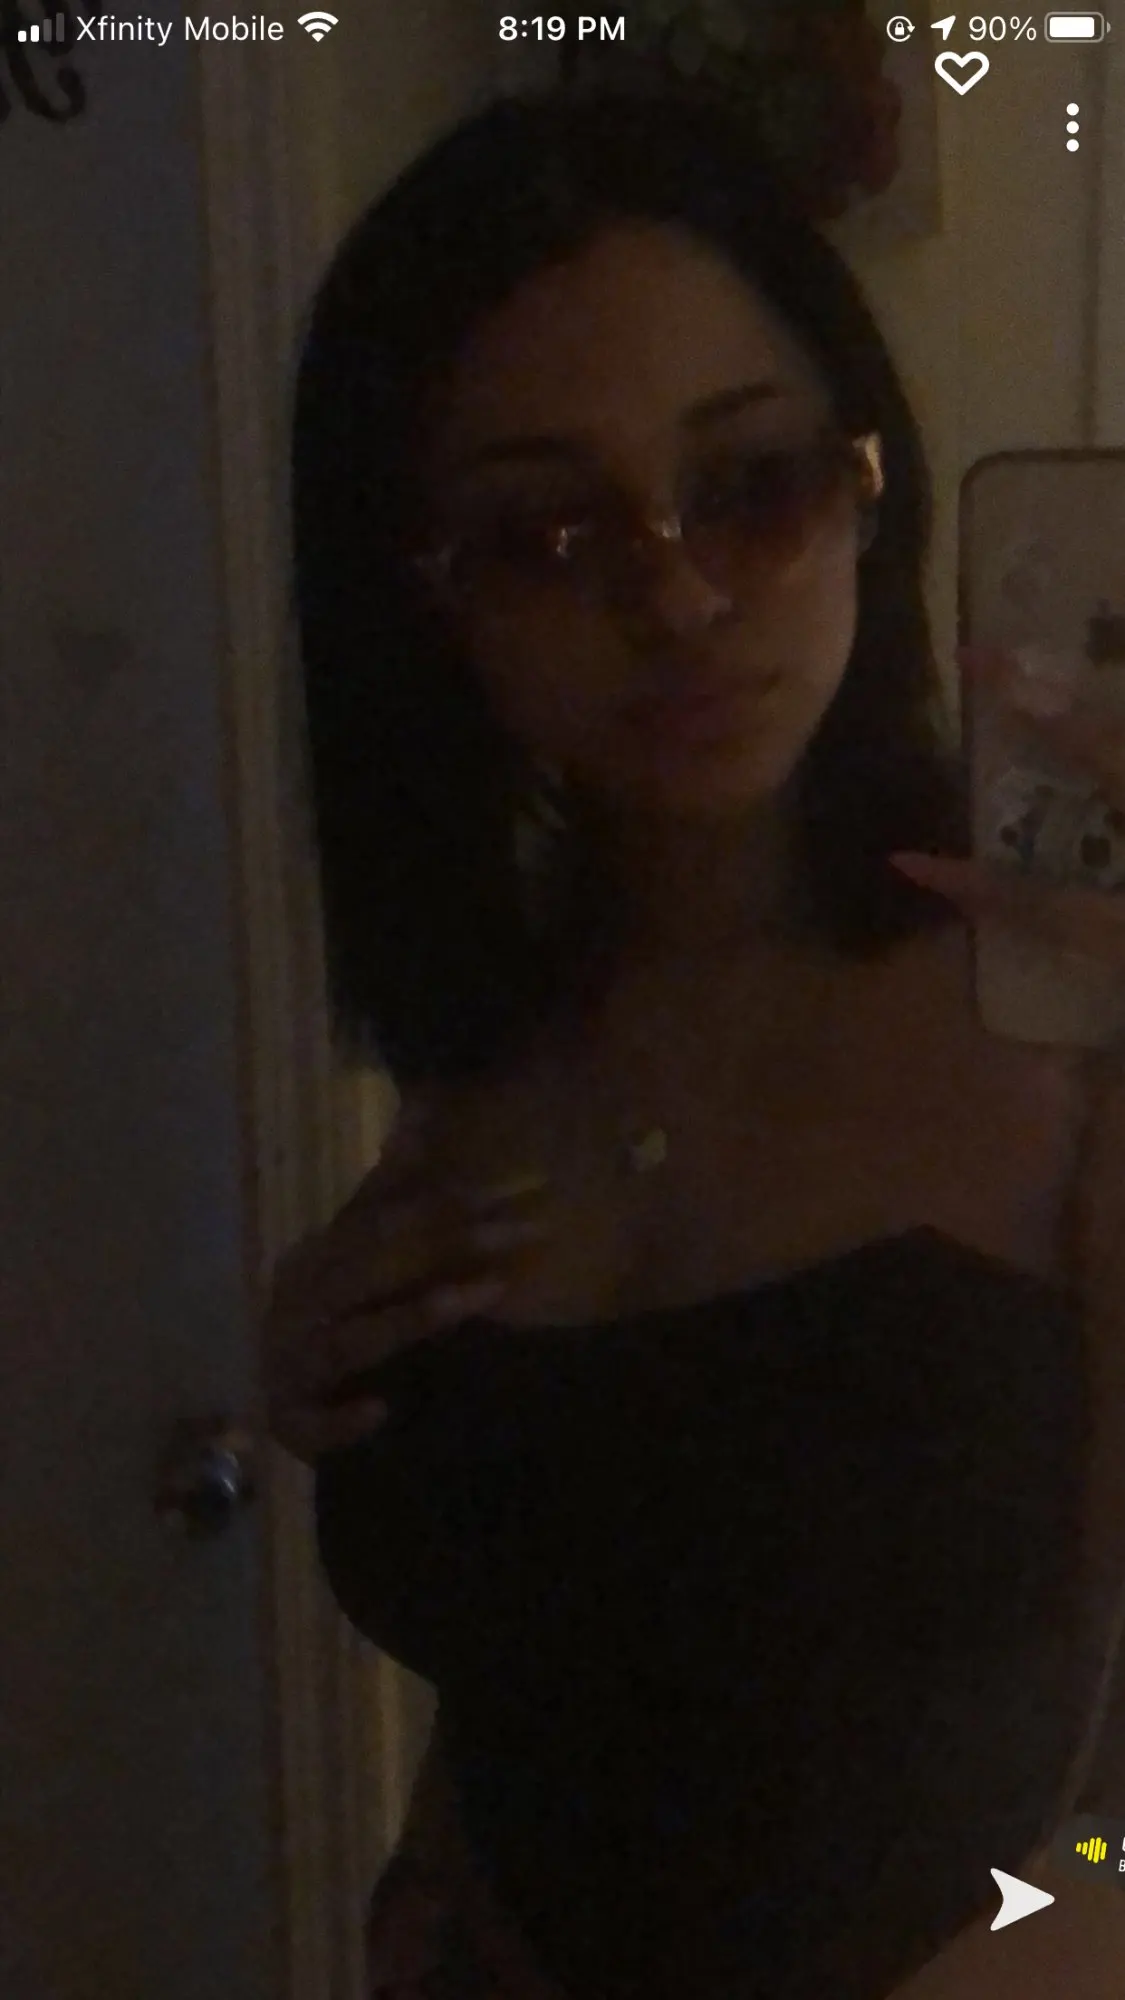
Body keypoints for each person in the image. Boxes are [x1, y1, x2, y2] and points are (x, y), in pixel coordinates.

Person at [266, 87, 1125, 2000]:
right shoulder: (487, 1068)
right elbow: (582, 1650)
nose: (673, 595)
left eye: (750, 483)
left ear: (867, 484)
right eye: (544, 530)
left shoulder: (1068, 1026)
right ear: (423, 596)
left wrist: (1049, 1936)